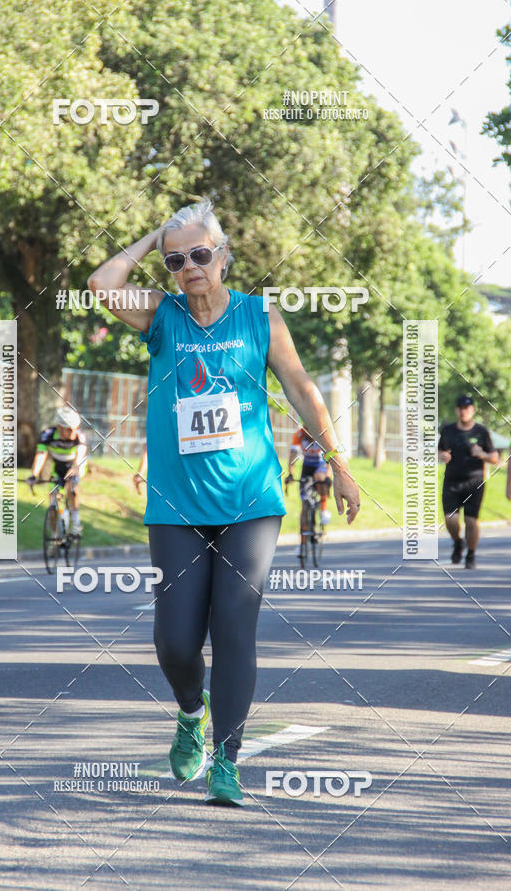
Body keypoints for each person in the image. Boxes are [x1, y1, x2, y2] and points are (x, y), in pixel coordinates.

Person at [87, 197, 361, 806]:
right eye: (176, 259)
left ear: (224, 256)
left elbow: (303, 390)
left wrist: (340, 466)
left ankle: (227, 762)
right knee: (175, 642)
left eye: (200, 254)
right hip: (177, 505)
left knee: (235, 627)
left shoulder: (260, 316)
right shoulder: (161, 317)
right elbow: (101, 284)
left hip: (250, 500)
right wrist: (155, 233)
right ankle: (192, 710)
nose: (190, 266)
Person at [438, 393, 498, 569]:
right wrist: (442, 455)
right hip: (452, 482)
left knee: (471, 521)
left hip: (474, 483)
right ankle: (458, 542)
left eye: (467, 408)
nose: (463, 411)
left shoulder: (481, 432)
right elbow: (440, 450)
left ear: (472, 410)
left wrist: (482, 454)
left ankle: (471, 554)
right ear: (457, 411)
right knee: (450, 519)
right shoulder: (448, 430)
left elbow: (495, 457)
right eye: (461, 408)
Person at [28, 405, 87, 535]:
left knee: (72, 486)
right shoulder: (48, 435)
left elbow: (80, 454)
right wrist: (34, 475)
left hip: (75, 465)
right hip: (58, 467)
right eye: (70, 430)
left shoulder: (79, 435)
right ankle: (55, 536)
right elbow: (41, 455)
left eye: (75, 429)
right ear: (60, 427)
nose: (74, 432)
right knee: (53, 502)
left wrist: (74, 468)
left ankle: (75, 521)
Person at [285, 425, 333, 528]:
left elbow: (330, 456)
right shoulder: (299, 434)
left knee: (320, 478)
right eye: (306, 428)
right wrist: (290, 473)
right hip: (307, 465)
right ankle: (304, 531)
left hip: (320, 464)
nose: (309, 431)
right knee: (304, 498)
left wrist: (328, 475)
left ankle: (323, 510)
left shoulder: (321, 435)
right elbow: (292, 455)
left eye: (310, 428)